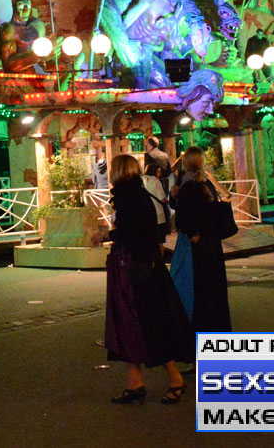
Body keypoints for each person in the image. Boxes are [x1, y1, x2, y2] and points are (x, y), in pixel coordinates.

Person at [104, 155, 193, 405]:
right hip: (136, 266)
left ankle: (174, 378)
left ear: (119, 171)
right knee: (131, 323)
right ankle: (136, 381)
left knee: (148, 322)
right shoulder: (133, 195)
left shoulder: (130, 197)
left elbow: (134, 234)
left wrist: (107, 235)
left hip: (138, 268)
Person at [170, 147, 232, 333]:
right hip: (212, 244)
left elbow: (184, 216)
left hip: (196, 247)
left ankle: (196, 330)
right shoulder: (206, 184)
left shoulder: (189, 186)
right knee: (214, 291)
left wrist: (191, 232)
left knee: (193, 289)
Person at [141, 161, 169, 245]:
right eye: (158, 172)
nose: (159, 174)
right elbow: (163, 199)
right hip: (158, 215)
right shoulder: (155, 181)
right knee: (160, 241)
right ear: (153, 171)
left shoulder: (141, 180)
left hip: (146, 215)